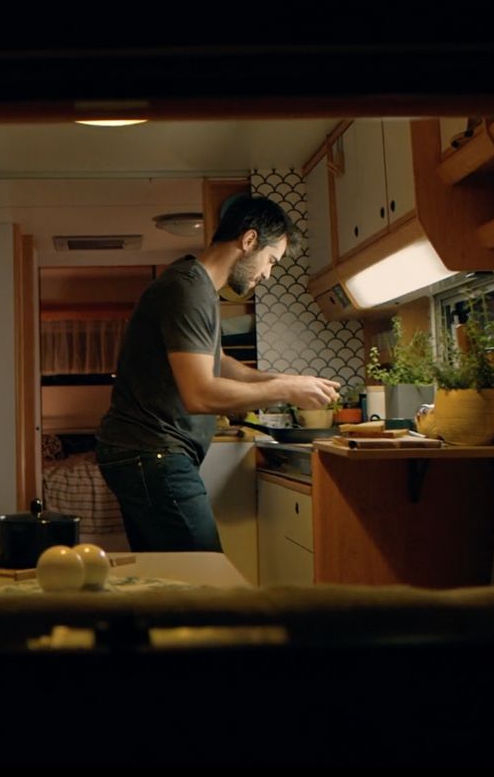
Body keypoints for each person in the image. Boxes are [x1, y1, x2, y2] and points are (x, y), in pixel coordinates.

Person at [94, 194, 340, 552]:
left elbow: (219, 362)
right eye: (271, 260)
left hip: (142, 452)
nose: (268, 273)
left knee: (170, 579)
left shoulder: (199, 287)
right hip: (152, 453)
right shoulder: (187, 289)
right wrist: (286, 390)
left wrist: (285, 380)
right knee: (205, 574)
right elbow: (202, 394)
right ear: (249, 240)